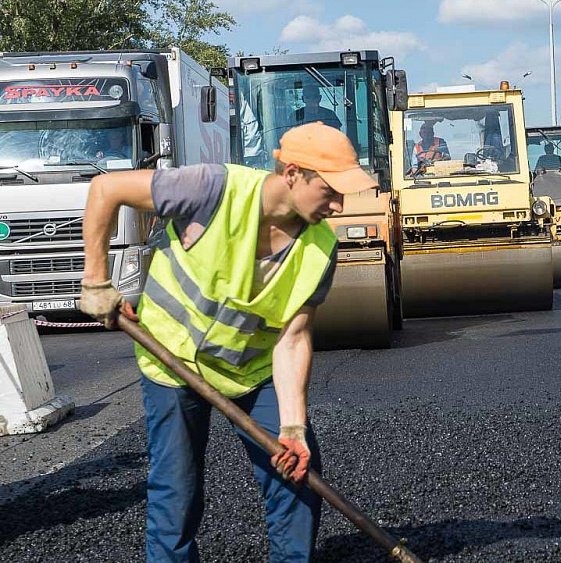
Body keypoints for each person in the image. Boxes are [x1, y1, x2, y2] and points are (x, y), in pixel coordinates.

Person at [79, 122, 377, 562]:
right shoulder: (213, 190)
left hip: (250, 372)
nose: (338, 205)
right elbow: (106, 189)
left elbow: (293, 338)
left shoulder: (320, 248)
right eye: (330, 191)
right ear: (293, 173)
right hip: (171, 362)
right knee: (175, 489)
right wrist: (96, 280)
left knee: (297, 471)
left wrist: (293, 428)